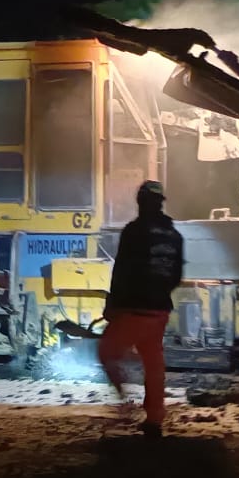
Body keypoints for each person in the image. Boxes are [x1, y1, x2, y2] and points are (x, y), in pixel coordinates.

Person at [99, 180, 184, 437]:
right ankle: (155, 420)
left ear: (141, 201)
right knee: (154, 361)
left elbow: (122, 270)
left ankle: (124, 402)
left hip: (134, 309)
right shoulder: (174, 235)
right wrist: (160, 294)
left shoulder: (134, 231)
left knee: (107, 352)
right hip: (160, 310)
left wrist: (112, 304)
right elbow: (176, 275)